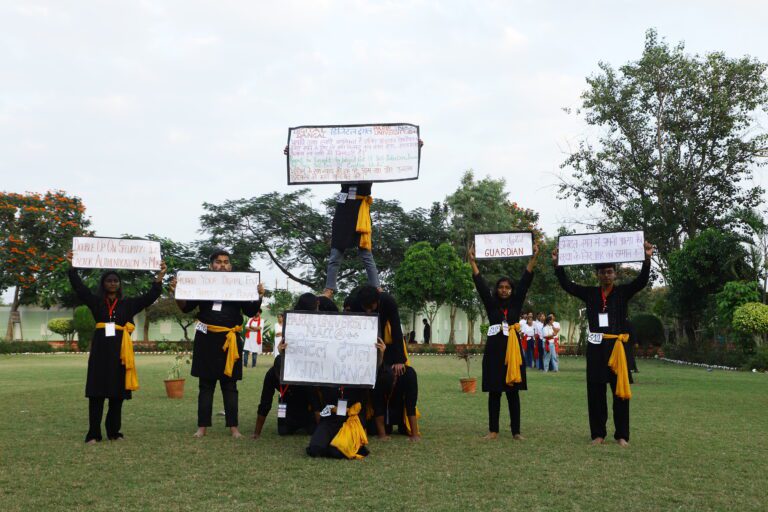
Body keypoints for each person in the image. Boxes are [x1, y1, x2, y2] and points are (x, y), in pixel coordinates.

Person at [553, 240, 653, 447]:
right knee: (596, 392)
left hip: (617, 348)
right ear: (597, 275)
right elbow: (568, 286)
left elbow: (641, 281)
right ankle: (598, 434)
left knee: (620, 392)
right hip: (596, 349)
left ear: (615, 274)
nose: (606, 275)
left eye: (609, 272)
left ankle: (622, 435)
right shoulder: (590, 293)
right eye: (602, 272)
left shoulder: (623, 292)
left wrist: (647, 258)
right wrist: (558, 265)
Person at [66, 251, 166, 444]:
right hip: (100, 352)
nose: (112, 283)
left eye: (116, 281)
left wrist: (160, 277)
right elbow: (80, 289)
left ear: (119, 284)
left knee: (117, 395)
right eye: (109, 281)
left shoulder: (128, 304)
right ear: (103, 284)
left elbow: (150, 297)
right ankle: (93, 434)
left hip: (120, 353)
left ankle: (114, 432)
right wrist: (72, 267)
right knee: (96, 395)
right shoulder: (96, 302)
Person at [170, 249, 264, 439]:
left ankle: (234, 428)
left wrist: (259, 295)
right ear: (211, 266)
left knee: (230, 385)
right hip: (206, 340)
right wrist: (177, 292)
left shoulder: (239, 286)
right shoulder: (201, 284)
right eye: (218, 262)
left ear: (230, 266)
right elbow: (186, 307)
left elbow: (250, 310)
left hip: (230, 340)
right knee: (206, 385)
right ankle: (202, 427)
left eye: (226, 262)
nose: (222, 265)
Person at [468, 242, 540, 440]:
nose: (504, 290)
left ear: (511, 290)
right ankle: (493, 430)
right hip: (494, 352)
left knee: (512, 393)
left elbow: (525, 282)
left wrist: (533, 259)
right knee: (494, 392)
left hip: (513, 353)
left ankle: (516, 432)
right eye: (501, 287)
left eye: (508, 287)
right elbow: (481, 286)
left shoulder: (516, 303)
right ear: (497, 290)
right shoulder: (491, 304)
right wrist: (472, 262)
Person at [347, 285, 421, 441]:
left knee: (405, 375)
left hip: (388, 347)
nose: (368, 311)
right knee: (375, 384)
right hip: (365, 349)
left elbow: (396, 329)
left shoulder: (388, 301)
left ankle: (403, 423)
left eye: (371, 307)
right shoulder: (355, 303)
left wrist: (399, 359)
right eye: (365, 308)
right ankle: (364, 423)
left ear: (378, 301)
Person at [252, 294, 322, 439]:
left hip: (307, 409)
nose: (282, 378)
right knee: (283, 431)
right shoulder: (271, 375)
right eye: (280, 375)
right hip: (288, 410)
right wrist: (256, 433)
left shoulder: (302, 373)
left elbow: (316, 404)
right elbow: (265, 403)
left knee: (312, 429)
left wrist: (322, 434)